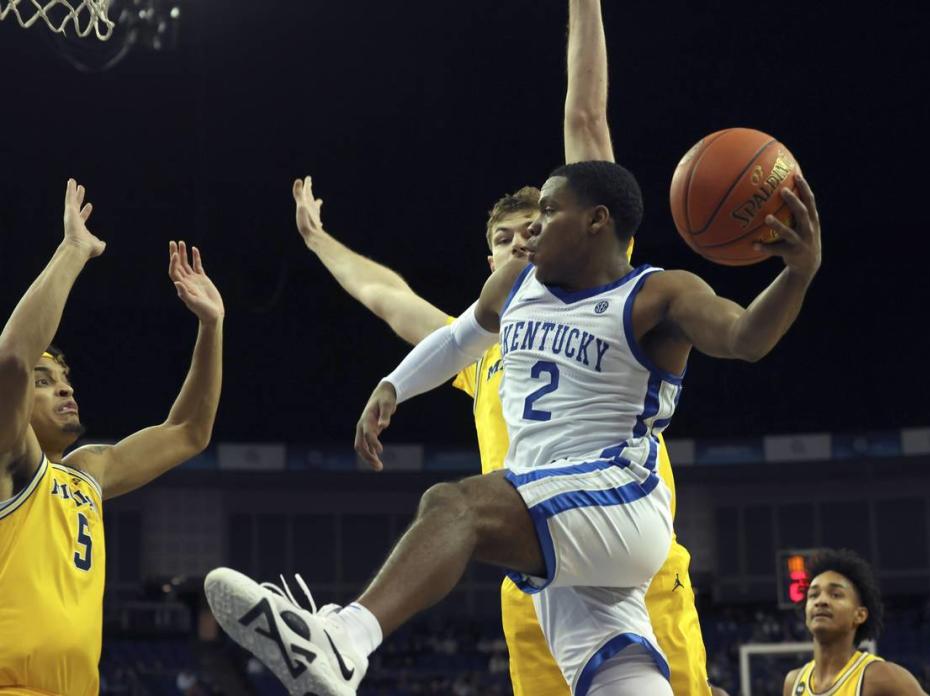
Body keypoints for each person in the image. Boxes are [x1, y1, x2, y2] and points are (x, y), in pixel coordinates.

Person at [205, 157, 821, 694]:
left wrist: (796, 273)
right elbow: (452, 337)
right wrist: (393, 385)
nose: (532, 234)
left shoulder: (656, 294)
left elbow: (744, 337)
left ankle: (344, 638)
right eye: (516, 230)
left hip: (618, 500)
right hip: (553, 537)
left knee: (455, 504)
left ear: (597, 222)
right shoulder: (515, 288)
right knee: (622, 677)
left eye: (546, 215)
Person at [287, 1, 720, 693]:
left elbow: (586, 121)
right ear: (488, 260)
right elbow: (385, 296)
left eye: (535, 225)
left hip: (624, 558)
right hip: (528, 578)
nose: (522, 239)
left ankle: (348, 637)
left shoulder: (607, 288)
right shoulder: (480, 352)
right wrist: (318, 241)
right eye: (504, 237)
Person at [0, 180, 224, 696]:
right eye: (44, 382)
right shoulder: (10, 461)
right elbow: (12, 357)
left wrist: (211, 327)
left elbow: (189, 432)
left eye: (66, 380)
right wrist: (73, 250)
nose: (64, 390)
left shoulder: (86, 471)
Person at [783, 549, 928, 696]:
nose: (821, 601)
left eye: (836, 595)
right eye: (813, 595)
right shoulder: (793, 683)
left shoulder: (880, 677)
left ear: (859, 615)